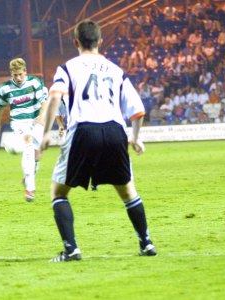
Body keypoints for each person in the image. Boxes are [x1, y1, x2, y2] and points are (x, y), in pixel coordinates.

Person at [42, 20, 156, 262]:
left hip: (83, 130)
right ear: (100, 42)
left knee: (58, 192)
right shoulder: (116, 70)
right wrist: (135, 137)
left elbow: (54, 98)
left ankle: (71, 249)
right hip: (115, 131)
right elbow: (138, 110)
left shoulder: (67, 68)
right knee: (128, 192)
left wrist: (45, 134)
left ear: (75, 42)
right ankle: (146, 243)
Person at [0, 58, 48, 202]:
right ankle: (30, 189)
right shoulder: (4, 89)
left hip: (36, 120)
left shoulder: (35, 82)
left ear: (25, 71)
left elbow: (44, 102)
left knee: (38, 154)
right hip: (19, 123)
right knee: (28, 144)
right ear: (11, 73)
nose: (18, 78)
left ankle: (29, 174)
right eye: (15, 75)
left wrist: (41, 118)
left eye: (20, 74)